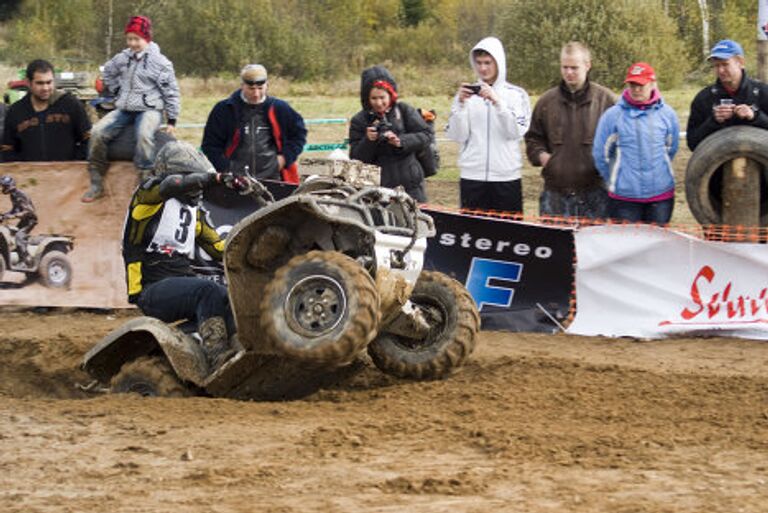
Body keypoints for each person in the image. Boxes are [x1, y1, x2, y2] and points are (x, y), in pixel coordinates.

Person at [123, 141, 247, 371]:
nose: (199, 189)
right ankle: (217, 357)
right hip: (150, 289)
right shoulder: (147, 197)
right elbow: (171, 184)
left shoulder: (193, 214)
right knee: (207, 290)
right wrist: (217, 178)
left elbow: (221, 249)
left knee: (228, 298)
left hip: (180, 284)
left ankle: (237, 354)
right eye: (194, 180)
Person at [82, 15, 180, 203]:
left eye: (137, 39)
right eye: (129, 39)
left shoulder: (160, 63)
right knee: (97, 131)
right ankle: (96, 180)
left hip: (150, 108)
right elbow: (107, 72)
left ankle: (145, 180)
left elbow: (171, 91)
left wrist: (172, 119)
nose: (133, 43)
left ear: (147, 38)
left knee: (144, 134)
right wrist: (116, 89)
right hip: (125, 107)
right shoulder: (122, 58)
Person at [524, 42, 616, 219]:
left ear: (587, 65)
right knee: (555, 245)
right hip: (555, 195)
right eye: (564, 67)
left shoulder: (607, 102)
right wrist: (544, 158)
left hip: (596, 194)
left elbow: (621, 142)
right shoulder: (546, 102)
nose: (569, 72)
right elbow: (533, 139)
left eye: (574, 67)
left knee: (594, 246)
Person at [446, 36, 531, 214]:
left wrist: (497, 102)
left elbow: (515, 131)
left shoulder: (516, 94)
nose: (483, 68)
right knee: (472, 234)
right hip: (472, 177)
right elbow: (457, 135)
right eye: (478, 63)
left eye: (487, 63)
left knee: (510, 234)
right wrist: (460, 105)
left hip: (506, 177)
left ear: (498, 62)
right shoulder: (466, 96)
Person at [592, 62, 680, 224]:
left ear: (653, 84)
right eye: (632, 84)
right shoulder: (612, 116)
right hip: (624, 199)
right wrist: (615, 179)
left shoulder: (668, 114)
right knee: (627, 247)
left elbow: (671, 148)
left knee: (657, 245)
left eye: (641, 85)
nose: (636, 89)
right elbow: (600, 154)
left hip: (660, 197)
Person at [201, 64, 307, 184]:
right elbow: (210, 145)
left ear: (267, 86)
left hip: (274, 179)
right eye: (251, 89)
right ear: (242, 86)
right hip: (235, 181)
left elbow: (299, 135)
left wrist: (284, 158)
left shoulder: (280, 108)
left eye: (260, 88)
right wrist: (225, 168)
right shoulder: (224, 110)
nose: (256, 94)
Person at [348, 66, 431, 201]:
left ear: (391, 95)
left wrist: (401, 141)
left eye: (382, 97)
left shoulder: (404, 111)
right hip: (377, 190)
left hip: (411, 186)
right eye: (374, 98)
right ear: (366, 98)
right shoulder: (359, 120)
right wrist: (368, 140)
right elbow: (356, 158)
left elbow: (426, 135)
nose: (379, 103)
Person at [1, 59, 91, 162]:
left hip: (67, 173)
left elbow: (88, 139)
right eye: (40, 83)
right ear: (28, 83)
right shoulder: (15, 111)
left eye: (49, 82)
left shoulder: (71, 105)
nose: (45, 88)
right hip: (30, 175)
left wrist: (75, 162)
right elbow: (7, 148)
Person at [687, 39, 768, 151]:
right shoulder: (704, 98)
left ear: (740, 63)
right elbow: (692, 143)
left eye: (725, 64)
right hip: (717, 165)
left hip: (761, 164)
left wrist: (755, 117)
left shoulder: (763, 93)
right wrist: (714, 121)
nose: (720, 70)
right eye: (716, 66)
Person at [0, 175, 37, 266]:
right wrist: (5, 215)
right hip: (24, 221)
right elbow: (15, 209)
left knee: (19, 237)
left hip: (30, 220)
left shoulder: (21, 195)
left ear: (10, 186)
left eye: (4, 186)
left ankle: (26, 260)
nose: (3, 188)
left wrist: (14, 216)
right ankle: (17, 257)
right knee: (11, 234)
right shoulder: (13, 195)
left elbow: (29, 211)